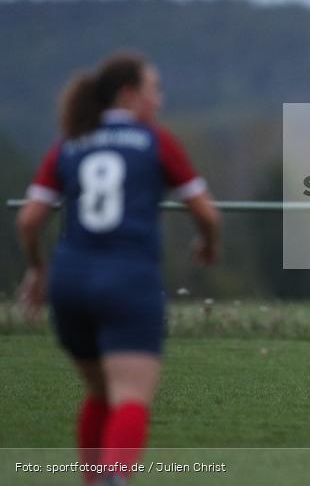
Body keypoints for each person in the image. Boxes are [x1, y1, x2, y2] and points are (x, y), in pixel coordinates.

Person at [16, 52, 220, 486]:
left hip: (70, 281)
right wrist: (207, 242)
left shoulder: (71, 140)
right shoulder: (153, 141)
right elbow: (207, 213)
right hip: (128, 279)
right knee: (130, 396)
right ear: (130, 94)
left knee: (100, 393)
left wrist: (38, 269)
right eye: (154, 90)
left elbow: (29, 220)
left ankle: (95, 480)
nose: (159, 101)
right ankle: (114, 478)